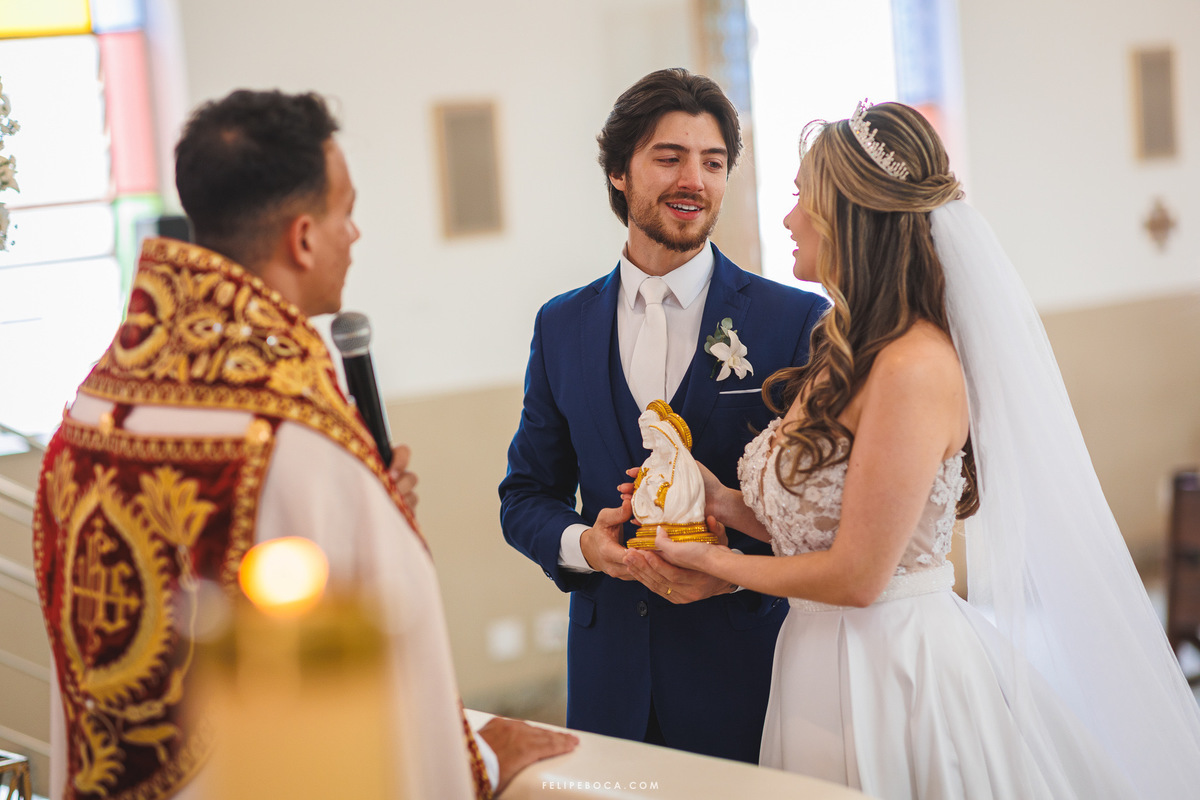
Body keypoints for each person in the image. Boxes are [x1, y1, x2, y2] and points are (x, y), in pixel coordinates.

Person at [32, 89, 574, 800]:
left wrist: (369, 500)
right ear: (304, 238)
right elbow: (381, 680)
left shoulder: (99, 401)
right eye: (346, 211)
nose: (355, 233)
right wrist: (484, 762)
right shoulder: (295, 432)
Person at [650, 99, 1200, 797]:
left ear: (850, 212)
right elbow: (820, 528)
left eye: (801, 197)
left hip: (893, 668)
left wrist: (715, 563)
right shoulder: (845, 350)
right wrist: (718, 501)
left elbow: (859, 575)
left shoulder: (915, 367)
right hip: (815, 657)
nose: (788, 219)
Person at [498, 68, 827, 762]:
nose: (693, 181)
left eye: (713, 163)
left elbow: (825, 516)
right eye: (669, 157)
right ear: (619, 172)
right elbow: (525, 495)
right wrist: (587, 546)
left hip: (747, 678)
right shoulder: (561, 325)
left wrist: (730, 567)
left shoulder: (794, 321)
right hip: (608, 682)